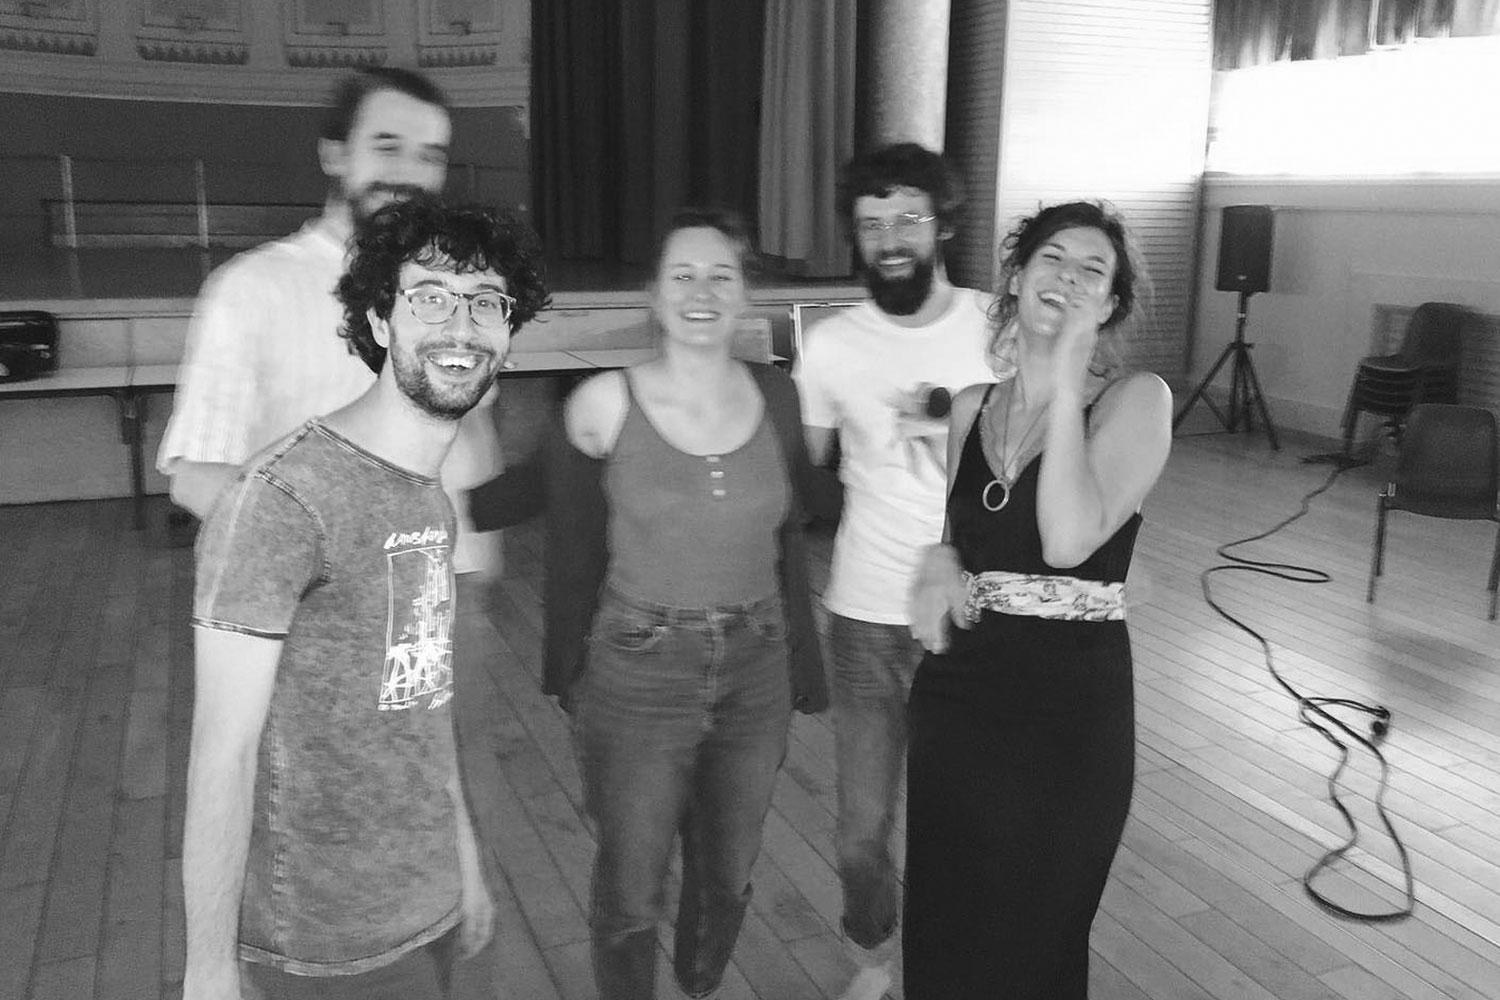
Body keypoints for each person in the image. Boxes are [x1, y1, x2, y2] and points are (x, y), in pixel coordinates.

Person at [180, 195, 549, 1000]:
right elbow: (221, 753)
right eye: (430, 298)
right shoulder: (282, 500)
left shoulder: (428, 496)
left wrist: (463, 865)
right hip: (320, 948)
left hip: (424, 910)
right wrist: (208, 970)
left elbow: (422, 707)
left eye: (487, 302)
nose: (462, 326)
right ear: (380, 322)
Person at [538, 208, 827, 1000]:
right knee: (631, 888)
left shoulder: (779, 396)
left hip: (757, 667)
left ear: (745, 295)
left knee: (728, 874)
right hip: (639, 669)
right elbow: (564, 542)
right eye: (684, 276)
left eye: (721, 276)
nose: (703, 292)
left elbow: (802, 514)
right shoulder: (602, 402)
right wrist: (568, 670)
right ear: (654, 295)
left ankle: (699, 985)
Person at [903, 201, 1171, 998]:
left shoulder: (1135, 400)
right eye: (1053, 257)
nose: (1070, 277)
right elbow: (963, 534)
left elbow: (1066, 539)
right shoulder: (969, 408)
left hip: (1068, 708)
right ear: (1017, 279)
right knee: (946, 914)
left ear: (1111, 304)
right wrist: (939, 562)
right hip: (959, 696)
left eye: (1094, 270)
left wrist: (1066, 373)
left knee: (1033, 932)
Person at [157, 65, 506, 585]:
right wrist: (338, 565)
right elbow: (196, 478)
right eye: (387, 147)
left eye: (429, 156)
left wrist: (479, 559)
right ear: (335, 153)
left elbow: (472, 430)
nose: (409, 174)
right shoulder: (251, 287)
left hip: (438, 595)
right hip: (313, 602)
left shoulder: (456, 283)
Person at [791, 142, 993, 1000]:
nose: (891, 239)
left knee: (969, 817)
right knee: (860, 830)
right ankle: (872, 957)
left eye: (909, 218)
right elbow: (806, 464)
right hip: (865, 618)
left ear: (943, 224)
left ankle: (960, 964)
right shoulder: (830, 346)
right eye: (872, 224)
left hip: (975, 613)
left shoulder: (997, 325)